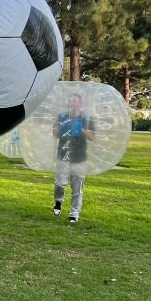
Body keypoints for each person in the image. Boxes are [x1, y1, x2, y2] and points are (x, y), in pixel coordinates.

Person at [52, 93, 95, 223]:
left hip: (79, 156)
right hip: (63, 154)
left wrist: (82, 130)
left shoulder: (87, 118)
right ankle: (58, 202)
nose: (72, 103)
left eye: (74, 101)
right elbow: (55, 135)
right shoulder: (62, 116)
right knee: (59, 183)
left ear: (80, 104)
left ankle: (74, 213)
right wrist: (57, 129)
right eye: (70, 101)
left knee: (77, 187)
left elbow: (92, 137)